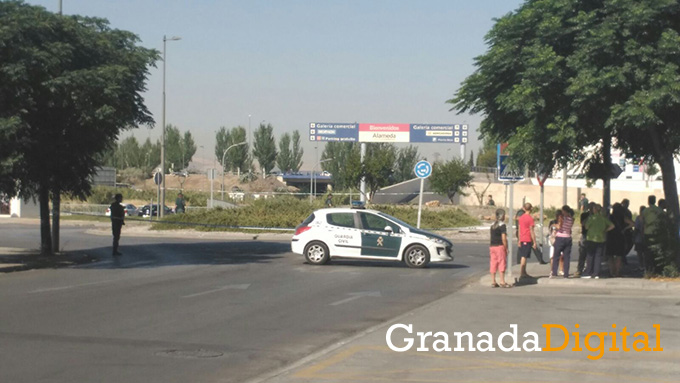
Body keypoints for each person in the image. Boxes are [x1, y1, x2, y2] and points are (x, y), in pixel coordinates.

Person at [582, 204, 614, 278]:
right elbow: (612, 226)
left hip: (591, 238)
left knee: (590, 256)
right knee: (598, 256)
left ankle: (589, 272)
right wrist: (605, 230)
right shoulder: (603, 218)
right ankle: (596, 273)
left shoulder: (591, 218)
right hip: (601, 238)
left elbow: (586, 227)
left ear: (595, 210)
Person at [606, 203, 634, 277]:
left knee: (610, 256)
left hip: (611, 236)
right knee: (619, 256)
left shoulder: (610, 217)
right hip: (620, 237)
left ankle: (612, 272)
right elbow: (632, 223)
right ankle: (617, 272)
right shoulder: (623, 217)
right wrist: (624, 229)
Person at [641, 195, 664, 273]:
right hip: (657, 232)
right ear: (655, 201)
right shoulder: (659, 210)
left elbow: (642, 221)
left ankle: (648, 267)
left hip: (647, 233)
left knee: (647, 251)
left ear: (648, 201)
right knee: (657, 251)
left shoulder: (645, 211)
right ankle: (657, 268)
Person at [489, 209, 511, 288]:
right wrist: (506, 248)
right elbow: (504, 238)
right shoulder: (502, 225)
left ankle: (493, 281)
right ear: (502, 216)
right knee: (502, 263)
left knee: (493, 263)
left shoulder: (492, 225)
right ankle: (502, 281)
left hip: (492, 246)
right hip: (499, 246)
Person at [551, 205, 574, 278]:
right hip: (568, 237)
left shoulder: (562, 218)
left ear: (564, 211)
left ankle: (554, 272)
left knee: (556, 256)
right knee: (567, 257)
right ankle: (566, 273)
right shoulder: (571, 219)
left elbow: (559, 227)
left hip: (560, 238)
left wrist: (553, 225)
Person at [517, 203, 537, 279]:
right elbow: (532, 231)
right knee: (524, 256)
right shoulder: (530, 218)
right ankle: (522, 273)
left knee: (524, 255)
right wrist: (534, 241)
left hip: (522, 238)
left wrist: (519, 239)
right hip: (527, 238)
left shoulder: (521, 218)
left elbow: (519, 229)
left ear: (524, 209)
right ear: (531, 209)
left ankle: (524, 272)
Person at [575, 202, 595, 277]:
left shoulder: (597, 216)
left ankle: (590, 269)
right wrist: (589, 216)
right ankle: (580, 269)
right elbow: (583, 223)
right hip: (585, 235)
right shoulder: (584, 215)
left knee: (591, 253)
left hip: (593, 235)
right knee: (582, 252)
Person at [548, 210, 564, 276]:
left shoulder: (563, 222)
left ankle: (561, 270)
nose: (558, 217)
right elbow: (550, 229)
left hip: (560, 239)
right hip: (553, 240)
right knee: (552, 256)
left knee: (561, 256)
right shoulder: (552, 222)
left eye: (560, 215)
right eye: (557, 215)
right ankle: (552, 270)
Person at [634, 206, 646, 271]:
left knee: (639, 253)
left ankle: (641, 265)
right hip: (646, 237)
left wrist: (634, 236)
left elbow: (636, 228)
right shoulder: (647, 218)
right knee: (645, 253)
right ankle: (645, 265)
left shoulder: (638, 218)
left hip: (639, 238)